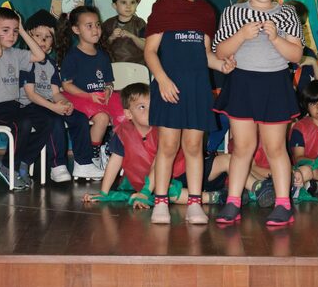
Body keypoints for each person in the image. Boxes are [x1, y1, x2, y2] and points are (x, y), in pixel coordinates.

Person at [144, 0, 236, 225]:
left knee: (195, 146)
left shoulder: (205, 11)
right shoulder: (163, 6)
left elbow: (205, 54)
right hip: (169, 88)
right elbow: (150, 51)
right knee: (168, 146)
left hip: (197, 89)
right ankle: (161, 202)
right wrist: (162, 79)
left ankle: (195, 203)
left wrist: (222, 65)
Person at [213, 0, 304, 226]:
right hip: (242, 83)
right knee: (242, 147)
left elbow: (296, 55)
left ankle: (283, 203)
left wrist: (276, 38)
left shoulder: (287, 12)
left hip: (275, 83)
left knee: (275, 147)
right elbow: (220, 52)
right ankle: (233, 202)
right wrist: (242, 35)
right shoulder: (233, 12)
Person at [82, 82, 233, 206]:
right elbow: (114, 163)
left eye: (152, 106)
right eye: (142, 107)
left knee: (228, 160)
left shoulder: (163, 129)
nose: (150, 111)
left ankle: (245, 189)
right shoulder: (123, 133)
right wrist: (104, 192)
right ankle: (213, 197)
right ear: (128, 114)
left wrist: (145, 193)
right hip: (159, 183)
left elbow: (159, 162)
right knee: (167, 191)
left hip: (183, 172)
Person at [19, 9, 102, 182]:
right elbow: (31, 95)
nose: (43, 40)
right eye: (37, 36)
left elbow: (56, 93)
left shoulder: (51, 64)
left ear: (53, 42)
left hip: (49, 104)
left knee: (78, 118)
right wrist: (54, 107)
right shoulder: (25, 61)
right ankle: (57, 165)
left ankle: (83, 163)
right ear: (28, 38)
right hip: (29, 106)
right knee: (54, 119)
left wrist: (65, 103)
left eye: (47, 37)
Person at [0, 3, 51, 190]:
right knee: (23, 123)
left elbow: (40, 56)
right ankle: (7, 165)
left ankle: (23, 162)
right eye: (5, 30)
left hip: (13, 107)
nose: (12, 35)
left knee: (47, 121)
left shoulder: (17, 54)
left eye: (15, 31)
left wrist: (23, 30)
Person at [58, 5, 124, 169]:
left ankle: (113, 149)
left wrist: (108, 89)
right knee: (102, 118)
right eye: (89, 26)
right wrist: (88, 96)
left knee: (123, 113)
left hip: (100, 96)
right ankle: (93, 154)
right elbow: (66, 85)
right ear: (76, 29)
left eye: (97, 24)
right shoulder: (72, 56)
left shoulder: (103, 55)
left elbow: (108, 81)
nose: (95, 30)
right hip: (80, 97)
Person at [286, 0, 318, 102]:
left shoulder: (308, 52)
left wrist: (313, 62)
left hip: (304, 105)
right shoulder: (273, 52)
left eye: (303, 26)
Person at [101, 0, 146, 66]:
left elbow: (146, 47)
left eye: (132, 2)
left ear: (136, 4)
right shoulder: (108, 24)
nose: (128, 6)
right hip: (114, 67)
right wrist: (111, 38)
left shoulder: (140, 23)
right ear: (115, 5)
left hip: (138, 67)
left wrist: (132, 36)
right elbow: (101, 48)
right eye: (124, 2)